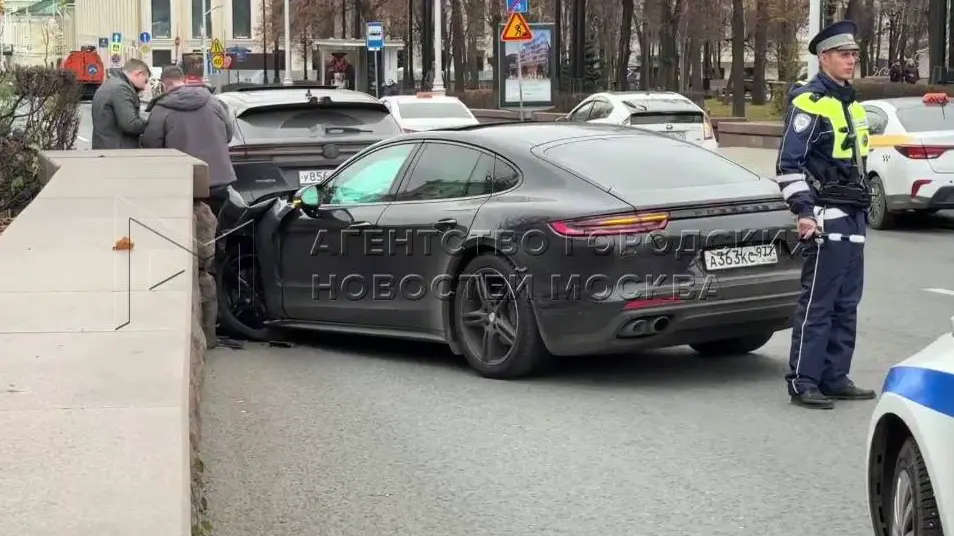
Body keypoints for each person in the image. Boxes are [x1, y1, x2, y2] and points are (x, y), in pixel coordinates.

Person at [774, 19, 876, 410]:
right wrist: (804, 211)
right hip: (823, 215)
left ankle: (834, 377)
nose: (852, 61)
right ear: (824, 58)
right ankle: (804, 381)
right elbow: (788, 166)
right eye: (844, 54)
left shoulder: (852, 104)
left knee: (847, 302)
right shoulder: (809, 103)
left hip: (854, 214)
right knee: (819, 303)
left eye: (854, 55)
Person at [142, 65, 236, 348]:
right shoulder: (214, 102)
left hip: (184, 188)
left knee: (186, 257)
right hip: (218, 183)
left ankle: (193, 328)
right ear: (184, 81)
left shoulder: (162, 110)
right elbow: (228, 134)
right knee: (212, 255)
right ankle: (217, 323)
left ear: (165, 84)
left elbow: (150, 145)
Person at [91, 59, 150, 149]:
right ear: (138, 73)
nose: (144, 87)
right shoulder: (121, 89)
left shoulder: (110, 84)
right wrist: (151, 124)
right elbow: (130, 124)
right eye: (145, 81)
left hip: (107, 147)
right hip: (119, 151)